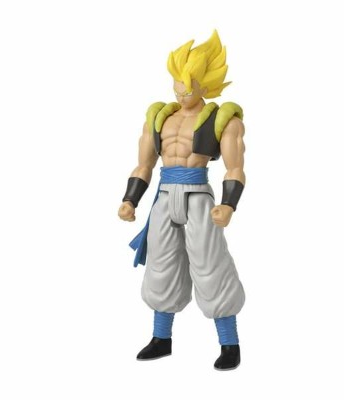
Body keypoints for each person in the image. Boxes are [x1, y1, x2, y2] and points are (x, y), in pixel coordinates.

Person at [118, 30, 246, 370]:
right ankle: (161, 338)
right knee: (161, 264)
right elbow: (144, 164)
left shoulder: (223, 119)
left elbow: (235, 168)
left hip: (198, 196)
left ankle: (229, 343)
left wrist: (228, 204)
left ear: (205, 85)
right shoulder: (160, 117)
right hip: (164, 195)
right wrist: (131, 199)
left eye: (189, 86)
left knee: (210, 264)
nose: (181, 92)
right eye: (177, 84)